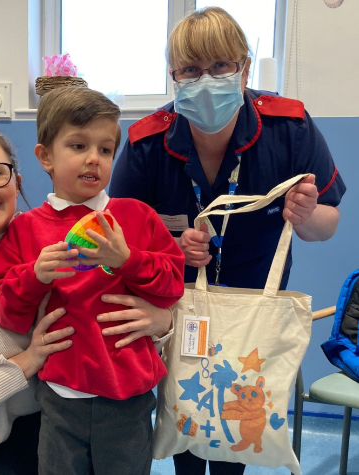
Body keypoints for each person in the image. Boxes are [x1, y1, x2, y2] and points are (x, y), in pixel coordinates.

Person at [109, 7, 346, 475]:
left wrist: (308, 215)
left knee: (235, 428)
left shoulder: (289, 127)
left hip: (253, 304)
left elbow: (328, 224)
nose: (206, 79)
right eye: (191, 70)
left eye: (220, 66)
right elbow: (119, 243)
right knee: (183, 418)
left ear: (244, 68)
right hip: (176, 308)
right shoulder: (146, 143)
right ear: (174, 76)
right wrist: (170, 252)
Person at [0, 122, 174, 475]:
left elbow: (138, 295)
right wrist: (29, 360)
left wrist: (163, 321)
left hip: (58, 420)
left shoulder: (72, 246)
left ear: (17, 181)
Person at [0, 87, 185, 475]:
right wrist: (35, 275)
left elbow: (173, 284)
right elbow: (2, 308)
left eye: (106, 150)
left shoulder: (136, 216)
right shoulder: (26, 229)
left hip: (129, 396)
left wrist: (128, 260)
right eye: (77, 145)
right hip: (60, 396)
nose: (94, 158)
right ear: (45, 157)